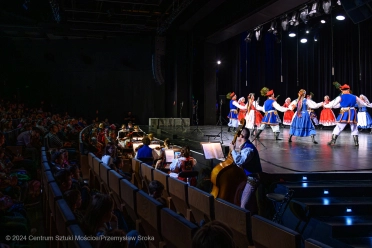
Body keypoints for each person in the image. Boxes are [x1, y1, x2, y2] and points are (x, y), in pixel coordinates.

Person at [229, 128, 262, 209]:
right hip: (247, 178)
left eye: (238, 135)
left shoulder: (248, 149)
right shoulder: (245, 147)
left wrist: (233, 150)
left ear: (241, 136)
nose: (236, 137)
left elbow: (240, 161)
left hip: (252, 179)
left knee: (243, 206)